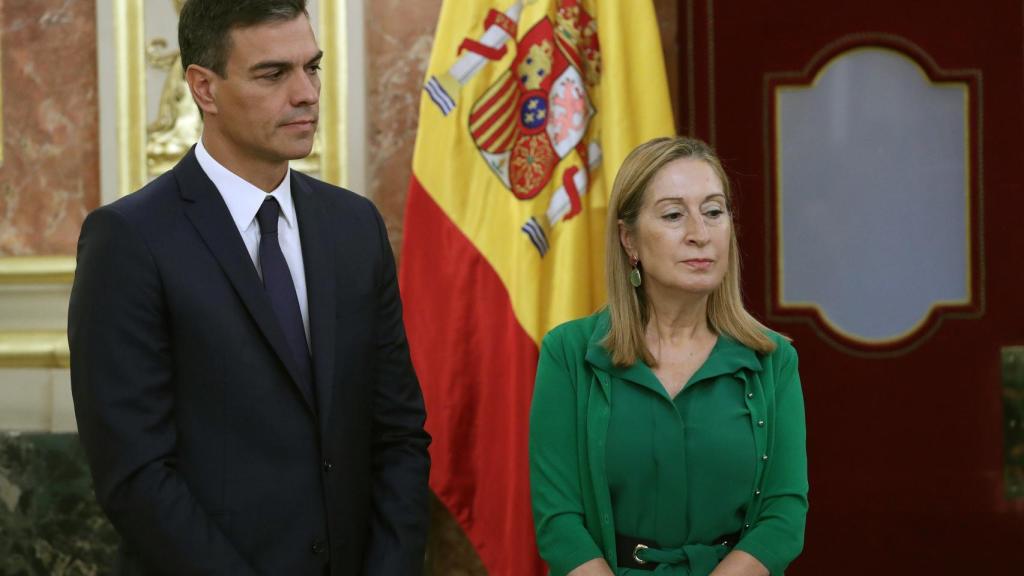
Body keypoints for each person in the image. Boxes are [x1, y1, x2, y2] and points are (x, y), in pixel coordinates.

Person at [68, 1, 430, 574]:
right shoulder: (129, 240)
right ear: (204, 88)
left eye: (311, 67)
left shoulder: (355, 226)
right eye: (273, 73)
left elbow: (399, 434)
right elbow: (135, 473)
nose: (306, 93)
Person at [529, 137, 807, 576]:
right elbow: (559, 520)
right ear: (629, 239)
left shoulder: (772, 359)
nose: (700, 233)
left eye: (714, 211)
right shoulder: (568, 353)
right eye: (674, 215)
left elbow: (783, 517)